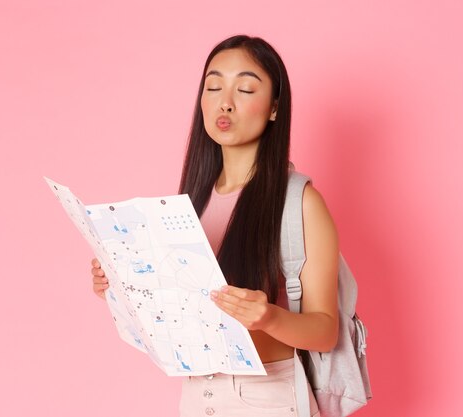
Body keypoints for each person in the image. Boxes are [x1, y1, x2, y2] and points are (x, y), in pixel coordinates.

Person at [90, 35, 339, 417]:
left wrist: (270, 316)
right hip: (198, 396)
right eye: (213, 86)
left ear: (274, 108)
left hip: (268, 397)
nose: (225, 101)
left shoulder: (299, 202)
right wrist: (119, 284)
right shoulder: (187, 204)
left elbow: (325, 331)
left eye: (244, 88)